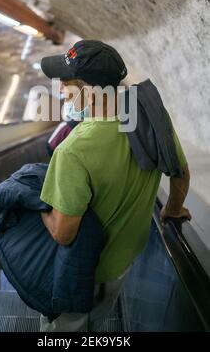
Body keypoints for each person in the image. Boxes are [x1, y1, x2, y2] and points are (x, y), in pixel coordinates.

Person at [39, 40, 191, 332]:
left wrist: (36, 209)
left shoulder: (73, 151)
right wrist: (172, 208)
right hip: (125, 259)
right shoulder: (151, 119)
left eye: (67, 84)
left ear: (91, 92)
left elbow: (63, 233)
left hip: (87, 271)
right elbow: (181, 173)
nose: (59, 91)